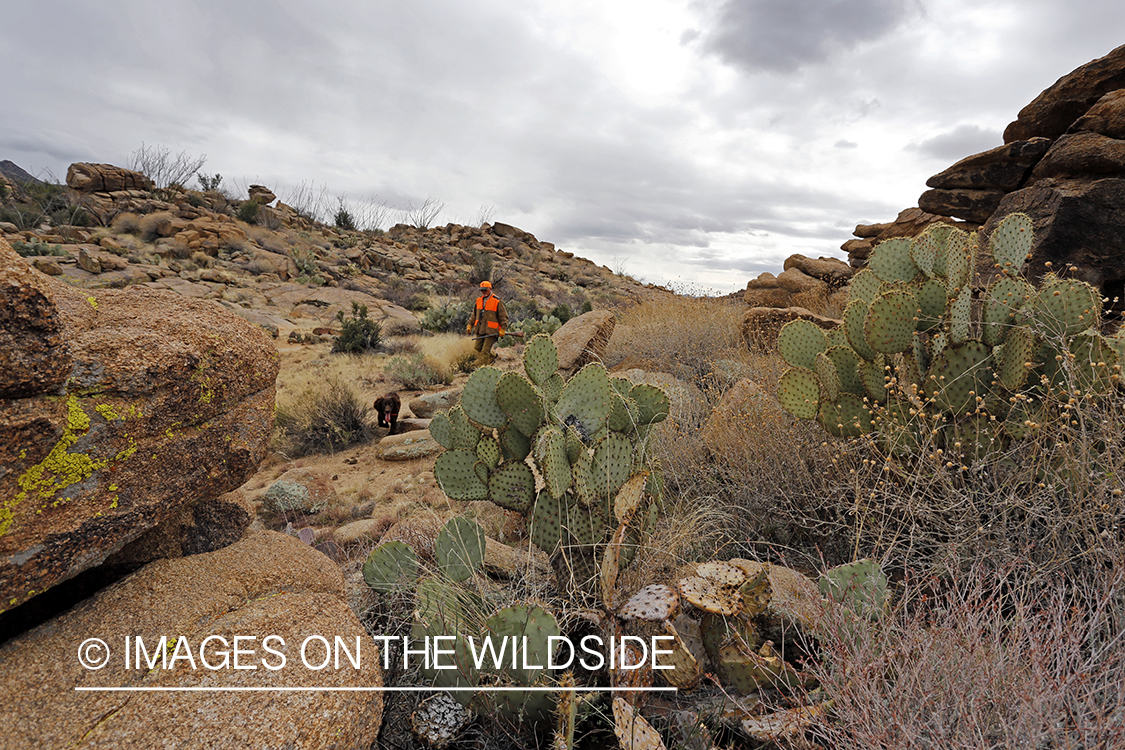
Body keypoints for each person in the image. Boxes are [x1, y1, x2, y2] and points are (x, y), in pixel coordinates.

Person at [466, 280, 508, 366]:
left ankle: (482, 369)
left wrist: (503, 328)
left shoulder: (497, 301)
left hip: (492, 330)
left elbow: (503, 316)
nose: (483, 292)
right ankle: (493, 356)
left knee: (485, 351)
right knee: (477, 348)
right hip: (480, 329)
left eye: (485, 290)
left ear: (490, 289)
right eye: (482, 290)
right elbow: (474, 314)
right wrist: (469, 325)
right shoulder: (478, 300)